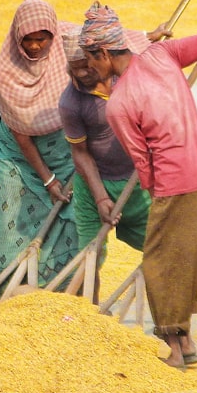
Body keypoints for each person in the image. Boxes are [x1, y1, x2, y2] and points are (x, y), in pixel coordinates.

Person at [79, 3, 197, 369]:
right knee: (186, 257)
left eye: (91, 60)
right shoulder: (162, 54)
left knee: (160, 262)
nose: (91, 69)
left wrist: (153, 192)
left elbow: (142, 162)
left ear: (103, 53)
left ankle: (173, 348)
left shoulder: (119, 103)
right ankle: (186, 339)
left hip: (175, 183)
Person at [0, 0, 161, 298]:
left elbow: (109, 43)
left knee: (69, 219)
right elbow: (21, 133)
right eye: (28, 40)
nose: (35, 47)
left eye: (42, 40)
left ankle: (65, 290)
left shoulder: (66, 42)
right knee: (12, 217)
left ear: (52, 35)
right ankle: (7, 287)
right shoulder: (5, 74)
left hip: (64, 147)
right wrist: (48, 179)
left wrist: (150, 37)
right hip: (20, 155)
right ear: (17, 38)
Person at [57, 21, 156, 302]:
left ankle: (171, 323)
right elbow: (81, 153)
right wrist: (100, 198)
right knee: (89, 254)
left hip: (137, 181)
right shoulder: (71, 103)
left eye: (89, 63)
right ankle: (90, 316)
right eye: (78, 66)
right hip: (94, 186)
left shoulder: (125, 79)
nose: (86, 71)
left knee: (159, 244)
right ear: (69, 69)